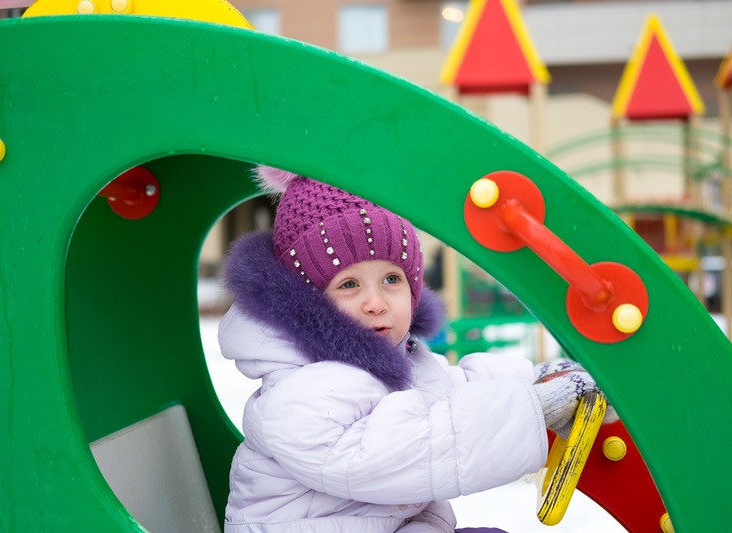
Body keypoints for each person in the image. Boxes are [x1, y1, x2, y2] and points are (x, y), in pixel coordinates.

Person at [220, 166, 617, 533]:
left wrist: (538, 380)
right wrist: (535, 407)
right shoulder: (298, 393)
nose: (375, 302)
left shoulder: (397, 360)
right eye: (348, 284)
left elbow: (453, 390)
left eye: (391, 278)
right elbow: (402, 451)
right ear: (308, 300)